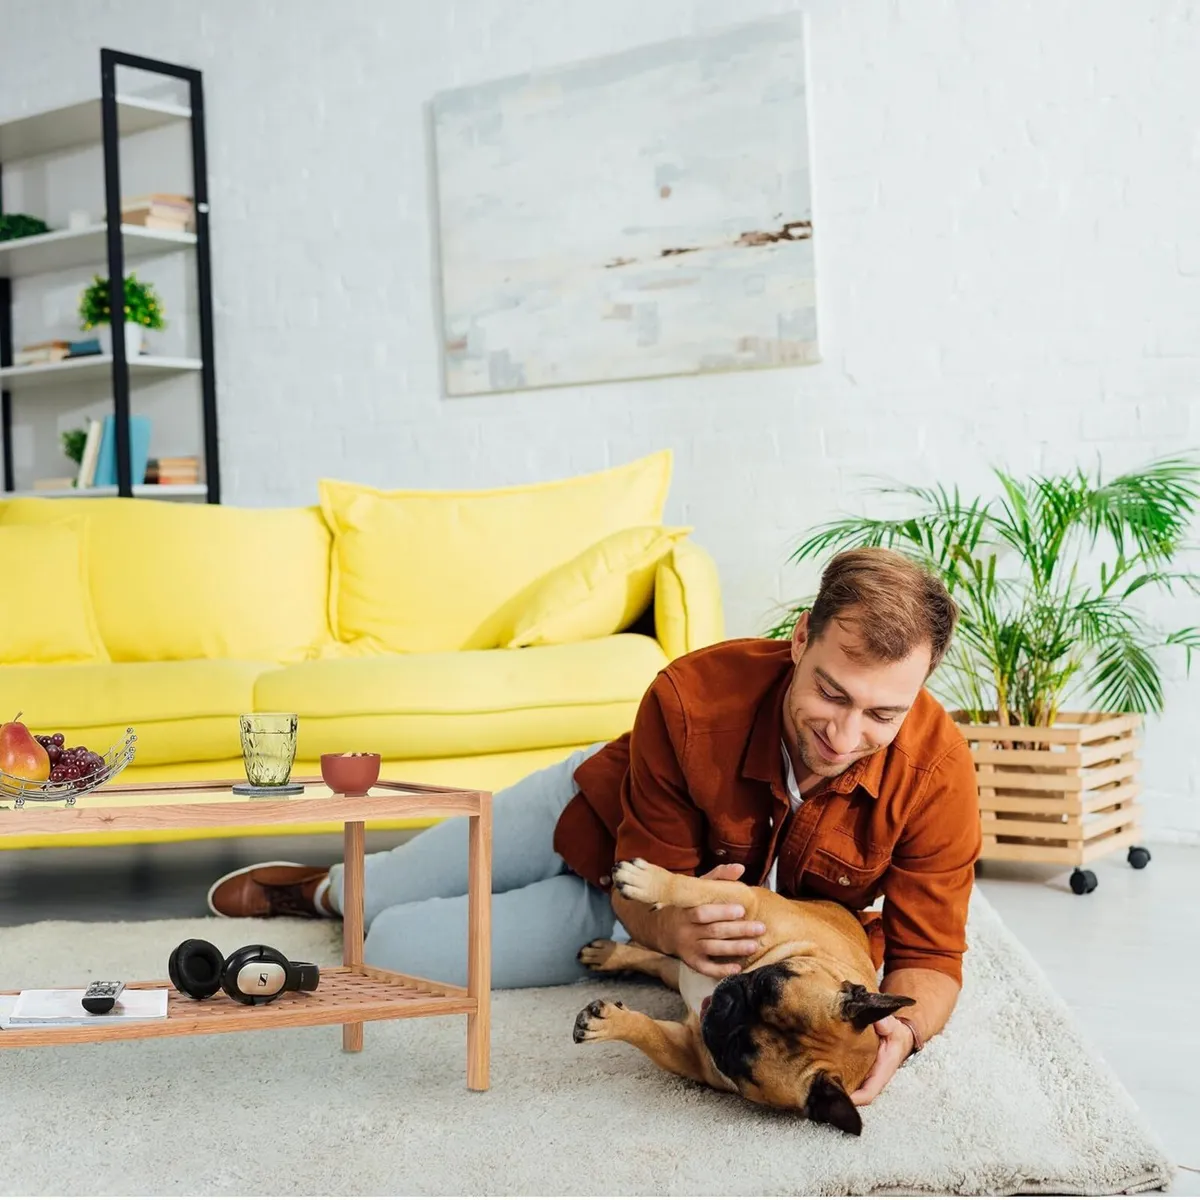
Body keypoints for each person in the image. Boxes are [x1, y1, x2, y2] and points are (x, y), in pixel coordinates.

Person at [208, 546, 981, 1106]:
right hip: (595, 813)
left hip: (623, 918)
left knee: (392, 947)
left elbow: (931, 959)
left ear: (919, 689)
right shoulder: (692, 696)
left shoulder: (938, 772)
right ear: (801, 638)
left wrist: (902, 1034)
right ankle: (320, 890)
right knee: (377, 890)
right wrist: (673, 928)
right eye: (832, 695)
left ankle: (359, 908)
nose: (845, 736)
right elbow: (648, 881)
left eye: (882, 713)